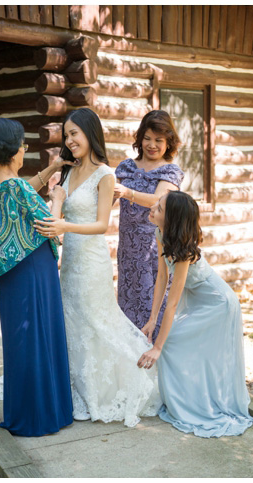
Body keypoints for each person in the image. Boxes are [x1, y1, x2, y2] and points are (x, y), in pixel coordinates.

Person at [34, 108, 160, 426]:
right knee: (73, 324)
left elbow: (102, 224)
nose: (69, 140)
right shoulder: (68, 171)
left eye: (74, 133)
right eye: (66, 135)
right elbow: (56, 214)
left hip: (91, 261)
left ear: (90, 133)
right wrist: (56, 201)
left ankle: (106, 390)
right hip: (70, 259)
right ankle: (75, 389)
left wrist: (65, 226)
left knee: (95, 323)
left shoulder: (105, 174)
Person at [0, 117, 74, 436]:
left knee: (21, 339)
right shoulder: (13, 186)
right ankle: (42, 415)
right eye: (23, 146)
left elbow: (18, 192)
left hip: (12, 276)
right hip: (34, 269)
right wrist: (57, 199)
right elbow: (51, 226)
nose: (23, 151)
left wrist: (50, 169)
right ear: (12, 150)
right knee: (39, 334)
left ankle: (24, 410)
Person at [136, 190, 253, 437]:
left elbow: (173, 302)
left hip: (217, 305)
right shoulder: (160, 233)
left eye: (158, 208)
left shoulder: (184, 252)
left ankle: (194, 403)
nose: (152, 209)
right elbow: (161, 277)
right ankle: (190, 397)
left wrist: (157, 347)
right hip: (201, 300)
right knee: (173, 343)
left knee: (170, 344)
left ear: (172, 219)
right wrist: (151, 320)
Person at [113, 110, 184, 339]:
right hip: (128, 252)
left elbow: (160, 199)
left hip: (155, 251)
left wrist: (127, 193)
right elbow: (108, 195)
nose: (152, 145)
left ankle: (155, 363)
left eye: (159, 140)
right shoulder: (126, 167)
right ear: (140, 138)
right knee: (127, 308)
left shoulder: (170, 171)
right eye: (147, 138)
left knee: (154, 307)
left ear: (168, 143)